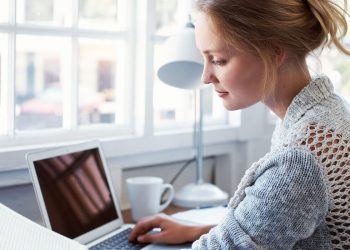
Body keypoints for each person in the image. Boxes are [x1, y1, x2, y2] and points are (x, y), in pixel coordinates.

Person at [129, 0, 350, 249]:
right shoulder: (329, 111)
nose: (205, 77)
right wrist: (198, 231)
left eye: (219, 60)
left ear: (274, 51)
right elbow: (278, 225)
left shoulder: (300, 159)